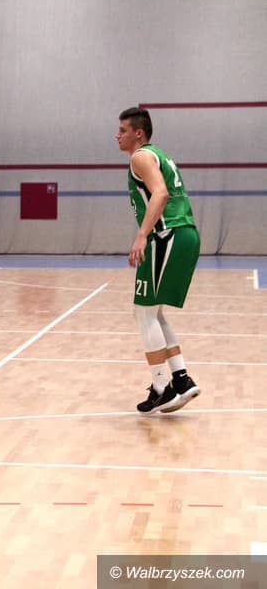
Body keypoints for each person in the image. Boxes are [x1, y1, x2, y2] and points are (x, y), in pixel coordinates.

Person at [116, 107, 201, 414]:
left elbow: (161, 194)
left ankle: (162, 388)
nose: (117, 135)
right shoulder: (158, 155)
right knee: (154, 313)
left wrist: (142, 235)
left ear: (138, 133)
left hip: (167, 235)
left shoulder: (140, 157)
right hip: (183, 234)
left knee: (143, 313)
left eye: (123, 130)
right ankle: (181, 379)